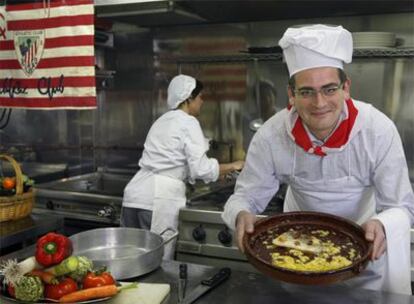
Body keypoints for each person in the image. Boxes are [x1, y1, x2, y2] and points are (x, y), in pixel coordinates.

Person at [222, 24, 414, 294]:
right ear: (291, 95)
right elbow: (246, 197)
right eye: (306, 91)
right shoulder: (272, 135)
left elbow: (401, 206)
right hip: (297, 259)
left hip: (365, 263)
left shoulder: (377, 130)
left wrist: (383, 224)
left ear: (346, 88)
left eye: (329, 89)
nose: (319, 103)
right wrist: (241, 214)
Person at [121, 74, 244, 259]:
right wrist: (234, 165)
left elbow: (176, 164)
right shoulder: (188, 122)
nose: (202, 102)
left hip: (134, 195)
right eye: (200, 97)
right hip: (158, 199)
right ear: (188, 99)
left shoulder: (162, 120)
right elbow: (200, 169)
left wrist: (218, 173)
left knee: (131, 260)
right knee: (155, 263)